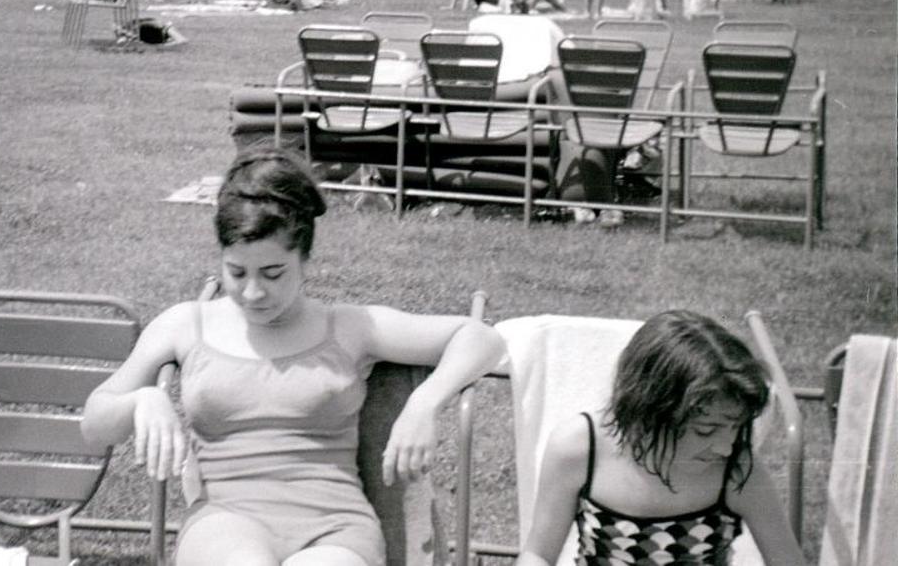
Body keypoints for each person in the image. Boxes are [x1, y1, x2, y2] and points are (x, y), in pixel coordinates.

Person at [81, 147, 505, 566]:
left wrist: (424, 403)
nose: (252, 293)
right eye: (236, 272)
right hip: (226, 521)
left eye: (273, 273)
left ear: (304, 260)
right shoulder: (186, 325)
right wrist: (143, 401)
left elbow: (482, 339)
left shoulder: (348, 328)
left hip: (335, 528)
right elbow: (94, 425)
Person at [514, 309, 805, 566]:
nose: (726, 447)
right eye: (706, 430)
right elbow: (538, 553)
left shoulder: (737, 471)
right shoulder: (580, 448)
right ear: (649, 411)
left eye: (735, 427)